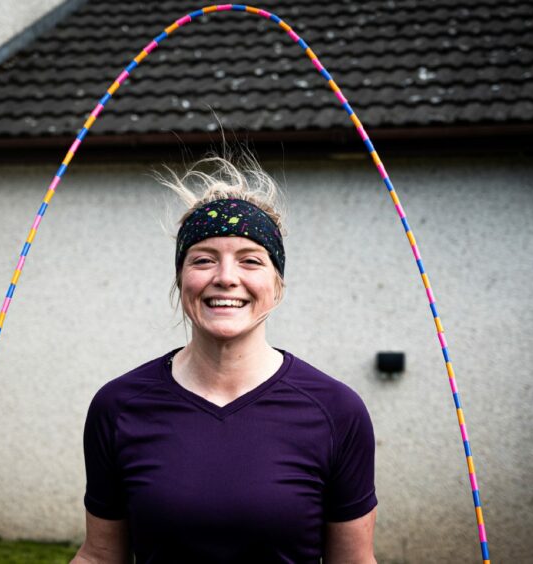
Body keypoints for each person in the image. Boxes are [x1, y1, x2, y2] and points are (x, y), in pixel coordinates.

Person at [72, 156, 377, 563]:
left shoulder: (338, 411)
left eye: (251, 260)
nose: (226, 277)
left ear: (277, 284)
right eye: (203, 259)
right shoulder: (118, 406)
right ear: (181, 280)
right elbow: (99, 556)